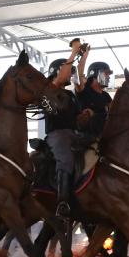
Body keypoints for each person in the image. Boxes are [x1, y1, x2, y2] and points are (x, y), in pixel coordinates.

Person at [44, 40, 87, 218]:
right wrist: (74, 52)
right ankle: (62, 202)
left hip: (73, 133)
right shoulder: (49, 90)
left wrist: (83, 56)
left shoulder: (70, 95)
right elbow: (61, 78)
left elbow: (77, 119)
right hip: (57, 134)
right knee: (66, 160)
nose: (70, 75)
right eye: (68, 71)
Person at [76, 58, 113, 139]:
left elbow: (114, 113)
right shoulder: (85, 91)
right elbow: (78, 75)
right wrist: (85, 55)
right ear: (96, 74)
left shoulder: (106, 95)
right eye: (106, 74)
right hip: (88, 138)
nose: (109, 77)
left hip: (105, 136)